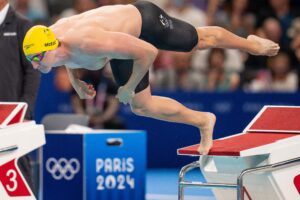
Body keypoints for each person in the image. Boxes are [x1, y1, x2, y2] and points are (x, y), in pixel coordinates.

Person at [22, 1, 279, 154]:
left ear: (50, 47)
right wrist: (76, 81)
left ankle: (250, 45)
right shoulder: (53, 42)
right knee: (142, 105)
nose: (34, 67)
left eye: (36, 59)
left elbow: (149, 52)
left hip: (143, 21)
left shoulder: (88, 42)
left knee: (199, 41)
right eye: (31, 60)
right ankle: (203, 121)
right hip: (116, 43)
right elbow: (65, 56)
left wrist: (129, 87)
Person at [0, 0, 40, 196]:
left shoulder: (23, 26)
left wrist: (25, 110)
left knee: (18, 165)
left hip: (14, 116)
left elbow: (33, 73)